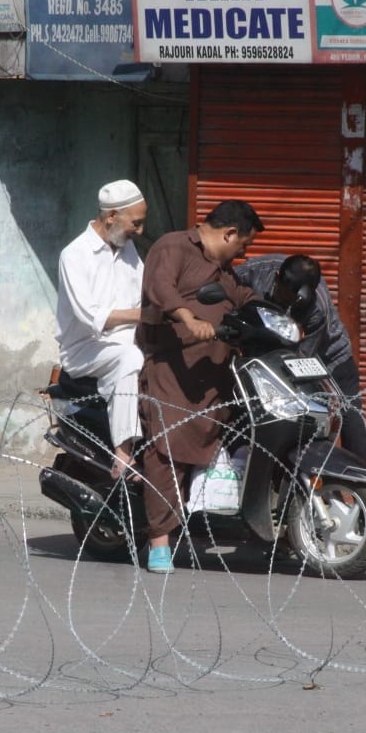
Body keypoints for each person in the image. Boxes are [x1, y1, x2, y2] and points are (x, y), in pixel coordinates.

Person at [233, 253, 366, 553]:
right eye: (287, 294)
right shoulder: (257, 271)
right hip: (261, 361)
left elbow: (298, 355)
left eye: (299, 299)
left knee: (354, 433)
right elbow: (228, 289)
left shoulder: (316, 306)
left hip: (325, 363)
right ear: (278, 279)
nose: (292, 302)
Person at [136, 200, 262, 573]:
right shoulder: (173, 246)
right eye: (243, 245)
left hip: (213, 377)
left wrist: (277, 317)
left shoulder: (224, 273)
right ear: (229, 233)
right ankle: (159, 543)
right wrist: (188, 317)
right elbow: (160, 287)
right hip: (172, 372)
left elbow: (245, 299)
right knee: (167, 450)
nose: (243, 253)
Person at [55, 180, 149, 480]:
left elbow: (144, 294)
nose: (140, 230)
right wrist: (146, 316)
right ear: (111, 217)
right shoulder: (75, 255)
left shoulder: (129, 250)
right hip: (85, 350)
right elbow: (90, 316)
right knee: (128, 359)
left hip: (126, 342)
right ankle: (123, 454)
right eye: (136, 223)